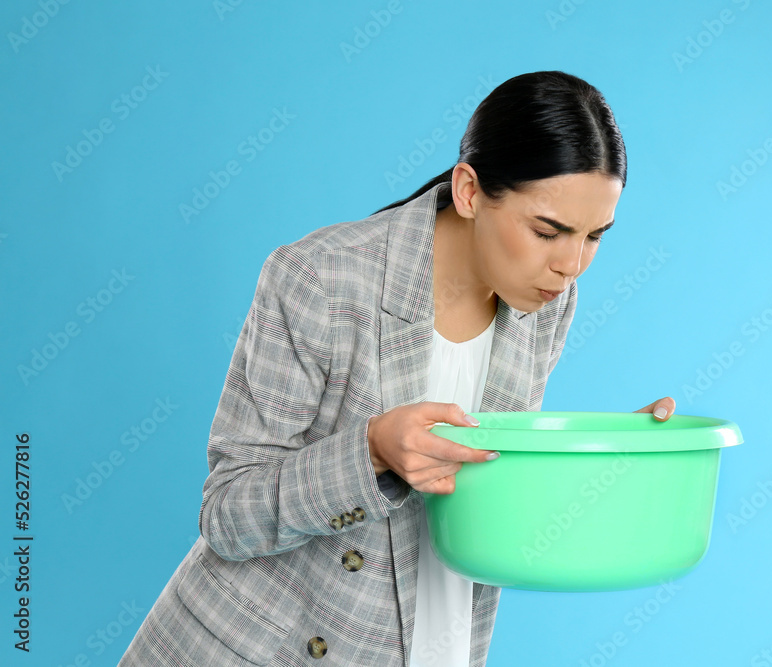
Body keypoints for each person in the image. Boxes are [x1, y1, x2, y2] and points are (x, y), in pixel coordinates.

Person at [117, 70, 675, 667]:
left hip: (437, 640)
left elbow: (485, 475)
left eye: (595, 236)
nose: (571, 265)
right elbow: (227, 514)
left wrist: (617, 458)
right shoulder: (321, 279)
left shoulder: (545, 302)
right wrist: (372, 453)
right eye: (547, 230)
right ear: (468, 191)